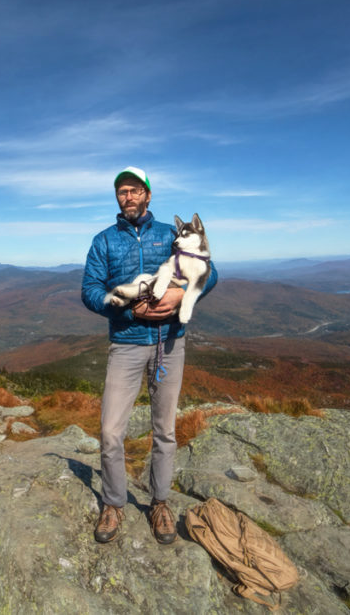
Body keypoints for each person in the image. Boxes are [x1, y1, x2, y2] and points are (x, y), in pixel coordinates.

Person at [81, 166, 218, 545]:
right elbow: (90, 290)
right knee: (111, 430)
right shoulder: (104, 241)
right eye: (122, 191)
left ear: (148, 195)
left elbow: (211, 270)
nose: (128, 197)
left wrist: (181, 296)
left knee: (165, 430)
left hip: (169, 342)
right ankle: (113, 502)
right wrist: (125, 310)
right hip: (126, 342)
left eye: (134, 190)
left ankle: (159, 503)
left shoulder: (170, 235)